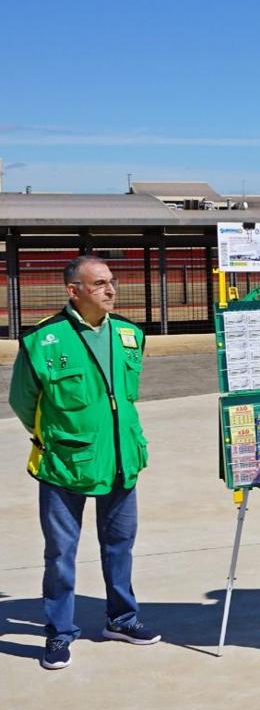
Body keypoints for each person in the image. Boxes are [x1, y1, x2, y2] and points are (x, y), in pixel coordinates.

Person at [8, 255, 161, 671]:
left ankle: (122, 619)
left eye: (112, 282)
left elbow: (125, 398)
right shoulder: (43, 340)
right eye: (99, 284)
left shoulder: (130, 334)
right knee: (60, 554)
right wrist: (56, 437)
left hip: (121, 458)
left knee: (120, 546)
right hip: (65, 464)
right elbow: (22, 401)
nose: (111, 290)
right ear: (73, 291)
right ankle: (59, 633)